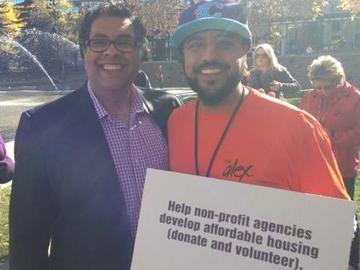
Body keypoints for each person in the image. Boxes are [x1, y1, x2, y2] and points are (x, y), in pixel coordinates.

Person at [9, 4, 180, 270]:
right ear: (84, 51)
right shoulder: (42, 127)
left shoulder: (169, 111)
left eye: (124, 41)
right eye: (99, 42)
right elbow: (27, 243)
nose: (111, 51)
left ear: (141, 51)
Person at [169, 0, 349, 209]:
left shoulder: (297, 128)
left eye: (224, 43)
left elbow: (333, 230)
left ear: (245, 49)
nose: (209, 56)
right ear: (183, 55)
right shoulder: (176, 122)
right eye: (196, 45)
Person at [301, 55, 360, 270]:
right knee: (316, 213)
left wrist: (332, 134)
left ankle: (351, 261)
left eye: (328, 87)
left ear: (339, 78)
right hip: (313, 166)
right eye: (318, 87)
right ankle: (320, 256)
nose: (323, 91)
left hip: (342, 167)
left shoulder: (354, 99)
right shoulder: (310, 97)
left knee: (345, 217)